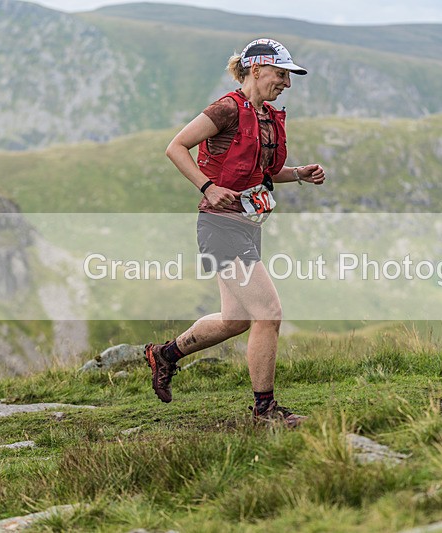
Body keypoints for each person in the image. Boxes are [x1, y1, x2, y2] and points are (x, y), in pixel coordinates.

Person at [145, 38, 326, 427]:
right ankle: (265, 411)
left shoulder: (266, 117)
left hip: (246, 226)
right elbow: (176, 147)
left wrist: (299, 174)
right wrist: (207, 187)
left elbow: (264, 171)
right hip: (219, 226)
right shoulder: (226, 108)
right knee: (269, 314)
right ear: (256, 70)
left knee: (236, 319)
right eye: (281, 75)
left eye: (289, 77)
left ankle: (165, 355)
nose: (287, 84)